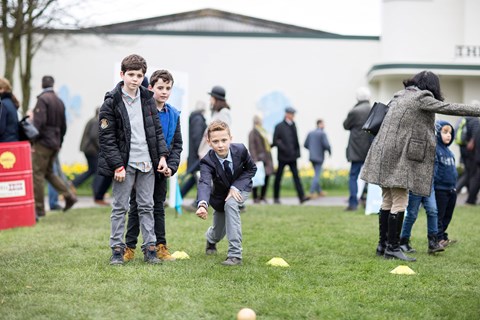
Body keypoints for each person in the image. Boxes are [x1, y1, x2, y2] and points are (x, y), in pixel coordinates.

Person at [361, 70, 480, 261]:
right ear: (432, 86)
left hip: (382, 153)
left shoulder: (399, 96)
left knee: (387, 199)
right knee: (400, 201)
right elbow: (450, 107)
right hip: (400, 157)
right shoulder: (422, 97)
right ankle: (392, 248)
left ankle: (382, 245)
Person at [97, 54, 169, 265]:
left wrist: (162, 156)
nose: (135, 79)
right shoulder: (111, 101)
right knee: (120, 207)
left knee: (147, 206)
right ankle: (117, 250)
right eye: (131, 74)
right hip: (124, 164)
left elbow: (155, 130)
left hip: (147, 162)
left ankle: (150, 250)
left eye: (139, 75)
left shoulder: (148, 98)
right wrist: (117, 165)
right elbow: (106, 138)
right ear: (122, 74)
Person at [124, 69, 183, 262]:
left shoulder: (174, 114)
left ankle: (160, 246)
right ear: (150, 88)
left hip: (162, 170)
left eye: (168, 88)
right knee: (136, 206)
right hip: (143, 166)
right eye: (160, 87)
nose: (164, 91)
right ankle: (129, 247)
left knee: (158, 206)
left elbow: (177, 144)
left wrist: (171, 167)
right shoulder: (143, 111)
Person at [195, 120, 256, 266]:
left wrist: (235, 187)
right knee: (217, 232)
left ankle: (235, 255)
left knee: (231, 204)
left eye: (224, 140)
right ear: (209, 142)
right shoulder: (207, 161)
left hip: (241, 188)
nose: (220, 145)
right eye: (215, 141)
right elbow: (204, 182)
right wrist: (202, 204)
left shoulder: (240, 150)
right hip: (219, 197)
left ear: (231, 138)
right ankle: (211, 240)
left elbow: (251, 169)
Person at [31, 76, 77, 217]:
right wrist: (60, 142)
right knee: (49, 173)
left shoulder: (43, 99)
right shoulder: (59, 101)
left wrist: (32, 140)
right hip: (55, 143)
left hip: (43, 143)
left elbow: (38, 123)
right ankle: (69, 196)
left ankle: (39, 209)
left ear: (42, 84)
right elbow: (63, 126)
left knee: (37, 174)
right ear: (53, 84)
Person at [343, 87, 372, 211]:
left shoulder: (354, 111)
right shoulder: (373, 109)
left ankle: (353, 203)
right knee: (371, 177)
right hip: (370, 147)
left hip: (356, 148)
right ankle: (370, 202)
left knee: (353, 176)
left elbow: (345, 125)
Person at [272, 106, 309, 204]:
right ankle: (276, 198)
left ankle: (302, 197)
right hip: (283, 157)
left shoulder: (293, 125)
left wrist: (297, 153)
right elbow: (275, 141)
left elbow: (296, 140)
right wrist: (284, 148)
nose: (293, 116)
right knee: (278, 177)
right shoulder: (279, 126)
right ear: (287, 114)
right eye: (292, 114)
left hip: (292, 157)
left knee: (296, 177)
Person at [399, 186, 444, 255]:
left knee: (432, 211)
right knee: (412, 215)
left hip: (429, 185)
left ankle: (433, 242)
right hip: (415, 185)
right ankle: (403, 242)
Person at [434, 120, 459, 248]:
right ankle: (438, 238)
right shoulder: (436, 150)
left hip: (451, 189)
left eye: (450, 132)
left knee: (448, 215)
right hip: (440, 189)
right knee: (440, 215)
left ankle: (443, 235)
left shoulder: (450, 152)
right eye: (445, 132)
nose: (448, 135)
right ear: (437, 133)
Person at [180, 101, 207, 201]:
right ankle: (198, 202)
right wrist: (201, 152)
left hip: (195, 155)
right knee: (200, 179)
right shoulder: (198, 119)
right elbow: (198, 137)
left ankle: (180, 196)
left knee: (194, 179)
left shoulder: (195, 118)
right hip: (198, 155)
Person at [248, 114, 274, 203]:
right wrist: (255, 159)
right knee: (256, 178)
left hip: (267, 159)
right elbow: (252, 147)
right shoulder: (252, 132)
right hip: (259, 159)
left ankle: (262, 196)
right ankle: (255, 197)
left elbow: (266, 144)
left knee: (267, 176)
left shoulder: (263, 131)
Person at [304, 119, 331, 198]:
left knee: (316, 173)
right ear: (319, 124)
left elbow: (305, 144)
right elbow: (326, 145)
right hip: (319, 157)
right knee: (317, 175)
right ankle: (311, 192)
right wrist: (329, 151)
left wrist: (312, 149)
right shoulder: (322, 134)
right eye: (323, 124)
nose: (324, 125)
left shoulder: (310, 133)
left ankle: (319, 191)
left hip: (312, 156)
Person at [0, 77, 20, 142]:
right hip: (13, 141)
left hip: (4, 143)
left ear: (2, 89)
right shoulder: (11, 102)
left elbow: (1, 128)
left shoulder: (3, 104)